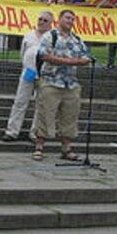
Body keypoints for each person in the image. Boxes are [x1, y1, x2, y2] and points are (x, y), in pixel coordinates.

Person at [32, 9, 91, 162]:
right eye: (67, 18)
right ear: (59, 19)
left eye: (72, 18)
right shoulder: (49, 36)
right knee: (45, 114)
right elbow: (44, 55)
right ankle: (39, 147)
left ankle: (66, 149)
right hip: (51, 81)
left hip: (70, 84)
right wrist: (70, 61)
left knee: (70, 117)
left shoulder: (77, 39)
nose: (70, 21)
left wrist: (68, 61)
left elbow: (86, 58)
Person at [2, 11, 53, 142]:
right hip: (29, 72)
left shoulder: (52, 37)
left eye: (45, 20)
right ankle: (12, 131)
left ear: (50, 24)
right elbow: (22, 53)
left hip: (44, 75)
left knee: (40, 105)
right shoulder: (29, 35)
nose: (41, 22)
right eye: (40, 19)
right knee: (20, 101)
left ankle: (35, 133)